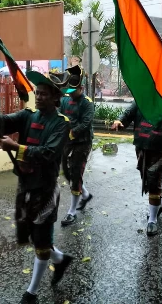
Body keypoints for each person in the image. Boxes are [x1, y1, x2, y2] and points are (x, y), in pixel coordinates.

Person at [0, 71, 73, 304]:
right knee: (30, 233)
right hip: (26, 186)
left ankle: (31, 293)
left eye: (43, 94)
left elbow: (49, 153)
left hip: (46, 190)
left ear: (55, 98)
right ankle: (60, 259)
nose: (38, 97)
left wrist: (16, 148)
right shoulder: (28, 115)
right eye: (37, 92)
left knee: (41, 239)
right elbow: (4, 123)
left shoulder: (61, 124)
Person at [111, 102, 162, 236]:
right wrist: (119, 120)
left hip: (160, 149)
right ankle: (161, 203)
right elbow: (128, 113)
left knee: (153, 179)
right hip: (141, 147)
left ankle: (152, 220)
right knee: (147, 179)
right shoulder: (140, 99)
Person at [59, 66, 95, 226]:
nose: (71, 93)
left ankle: (72, 212)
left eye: (74, 90)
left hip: (83, 142)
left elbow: (86, 123)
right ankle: (85, 194)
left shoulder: (87, 103)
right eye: (69, 90)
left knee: (75, 171)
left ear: (81, 88)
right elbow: (60, 115)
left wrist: (72, 132)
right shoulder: (65, 99)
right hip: (67, 140)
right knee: (66, 170)